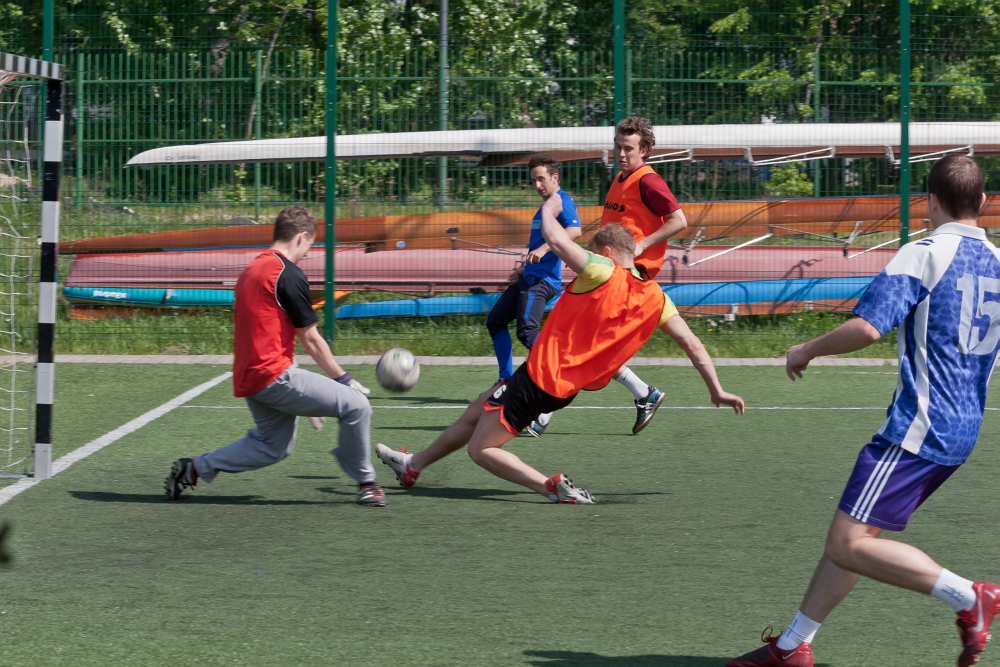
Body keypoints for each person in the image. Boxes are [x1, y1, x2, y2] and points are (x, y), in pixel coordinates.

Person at [728, 155, 1000, 667]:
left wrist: (805, 349)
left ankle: (970, 597)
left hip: (920, 426)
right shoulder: (998, 261)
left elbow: (869, 327)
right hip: (964, 427)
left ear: (930, 202)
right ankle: (792, 646)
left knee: (847, 543)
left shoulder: (924, 253)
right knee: (857, 534)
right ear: (983, 202)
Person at [375, 196, 744, 503]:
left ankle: (550, 487)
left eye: (594, 252)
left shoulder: (601, 270)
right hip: (561, 387)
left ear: (607, 252)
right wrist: (717, 390)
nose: (586, 261)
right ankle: (412, 467)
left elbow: (554, 239)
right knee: (478, 408)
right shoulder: (658, 299)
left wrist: (551, 206)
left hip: (541, 378)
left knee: (481, 449)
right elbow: (693, 344)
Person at [163, 206, 387, 507]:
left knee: (273, 447)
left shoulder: (251, 270)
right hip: (273, 375)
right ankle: (367, 483)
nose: (307, 254)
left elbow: (266, 332)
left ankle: (194, 468)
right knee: (357, 405)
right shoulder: (288, 273)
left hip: (251, 377)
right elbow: (311, 339)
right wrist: (343, 379)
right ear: (301, 237)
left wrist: (309, 395)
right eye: (309, 246)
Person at [601, 116, 690, 435]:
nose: (621, 154)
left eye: (628, 148)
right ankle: (644, 393)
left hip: (630, 279)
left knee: (584, 344)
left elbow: (679, 220)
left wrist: (642, 245)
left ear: (644, 150)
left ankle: (540, 413)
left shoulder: (649, 181)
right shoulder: (620, 178)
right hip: (609, 274)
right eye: (618, 147)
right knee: (592, 346)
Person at [486, 153, 581, 437]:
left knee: (527, 332)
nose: (537, 185)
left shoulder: (562, 200)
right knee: (496, 321)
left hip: (543, 281)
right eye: (533, 181)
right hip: (529, 277)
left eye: (541, 179)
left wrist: (544, 249)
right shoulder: (545, 206)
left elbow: (575, 230)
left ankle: (555, 379)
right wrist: (522, 268)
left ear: (555, 177)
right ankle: (505, 379)